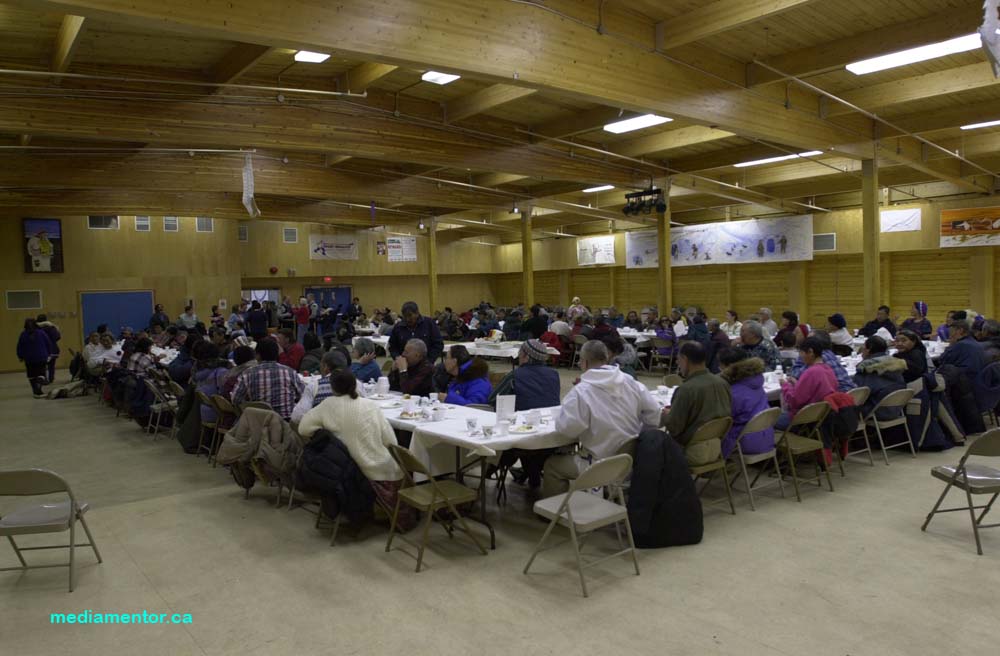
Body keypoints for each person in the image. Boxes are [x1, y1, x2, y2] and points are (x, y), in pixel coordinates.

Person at [545, 340, 660, 497]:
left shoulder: (581, 392)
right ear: (606, 358)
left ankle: (553, 511)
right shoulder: (630, 382)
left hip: (598, 465)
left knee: (552, 465)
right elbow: (654, 415)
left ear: (584, 362)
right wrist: (638, 435)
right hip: (629, 460)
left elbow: (568, 430)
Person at [298, 370, 410, 523]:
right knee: (400, 466)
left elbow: (303, 428)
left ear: (333, 388)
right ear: (355, 385)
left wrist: (326, 434)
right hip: (380, 468)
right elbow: (390, 441)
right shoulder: (370, 405)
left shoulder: (327, 405)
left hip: (345, 469)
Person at [661, 342, 732, 466]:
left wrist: (666, 414)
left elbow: (674, 428)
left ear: (684, 359)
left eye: (678, 360)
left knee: (649, 443)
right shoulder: (723, 383)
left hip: (690, 452)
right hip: (716, 448)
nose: (678, 364)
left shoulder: (686, 389)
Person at [718, 348, 774, 460]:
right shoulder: (756, 381)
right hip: (766, 437)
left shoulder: (734, 393)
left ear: (727, 367)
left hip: (745, 442)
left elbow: (722, 418)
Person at [231, 337, 304, 420]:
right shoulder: (290, 372)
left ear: (257, 355)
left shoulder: (247, 374)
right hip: (286, 425)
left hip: (259, 424)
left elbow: (235, 399)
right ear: (277, 354)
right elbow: (303, 395)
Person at [776, 337, 837, 430]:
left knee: (766, 421)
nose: (800, 356)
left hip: (802, 420)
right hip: (820, 417)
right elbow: (814, 391)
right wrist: (797, 384)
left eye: (801, 353)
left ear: (810, 352)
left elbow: (794, 401)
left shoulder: (811, 372)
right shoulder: (828, 369)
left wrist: (785, 385)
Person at [852, 336, 907, 420]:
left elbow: (858, 393)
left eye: (863, 347)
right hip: (896, 409)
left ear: (868, 349)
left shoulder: (867, 368)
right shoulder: (895, 363)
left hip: (875, 412)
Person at [290, 350, 351, 424]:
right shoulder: (357, 384)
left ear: (325, 367)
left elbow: (297, 417)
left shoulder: (314, 386)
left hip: (324, 432)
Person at [788, 329, 855, 393]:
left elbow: (795, 375)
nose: (805, 343)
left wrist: (802, 356)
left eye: (809, 340)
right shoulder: (830, 354)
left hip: (837, 399)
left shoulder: (819, 359)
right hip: (850, 394)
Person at [192, 341, 232, 425]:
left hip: (204, 410)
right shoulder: (221, 371)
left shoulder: (199, 371)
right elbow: (224, 393)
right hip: (217, 413)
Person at [16, 318, 55, 398]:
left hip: (29, 358)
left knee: (31, 375)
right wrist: (49, 353)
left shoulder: (23, 334)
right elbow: (48, 343)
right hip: (41, 357)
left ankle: (36, 391)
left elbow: (20, 346)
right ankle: (40, 383)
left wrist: (20, 356)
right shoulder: (41, 333)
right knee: (41, 373)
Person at [35, 313, 61, 383]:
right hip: (52, 349)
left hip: (40, 350)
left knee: (42, 366)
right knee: (51, 366)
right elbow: (57, 337)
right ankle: (51, 378)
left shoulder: (35, 329)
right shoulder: (51, 327)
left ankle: (44, 379)